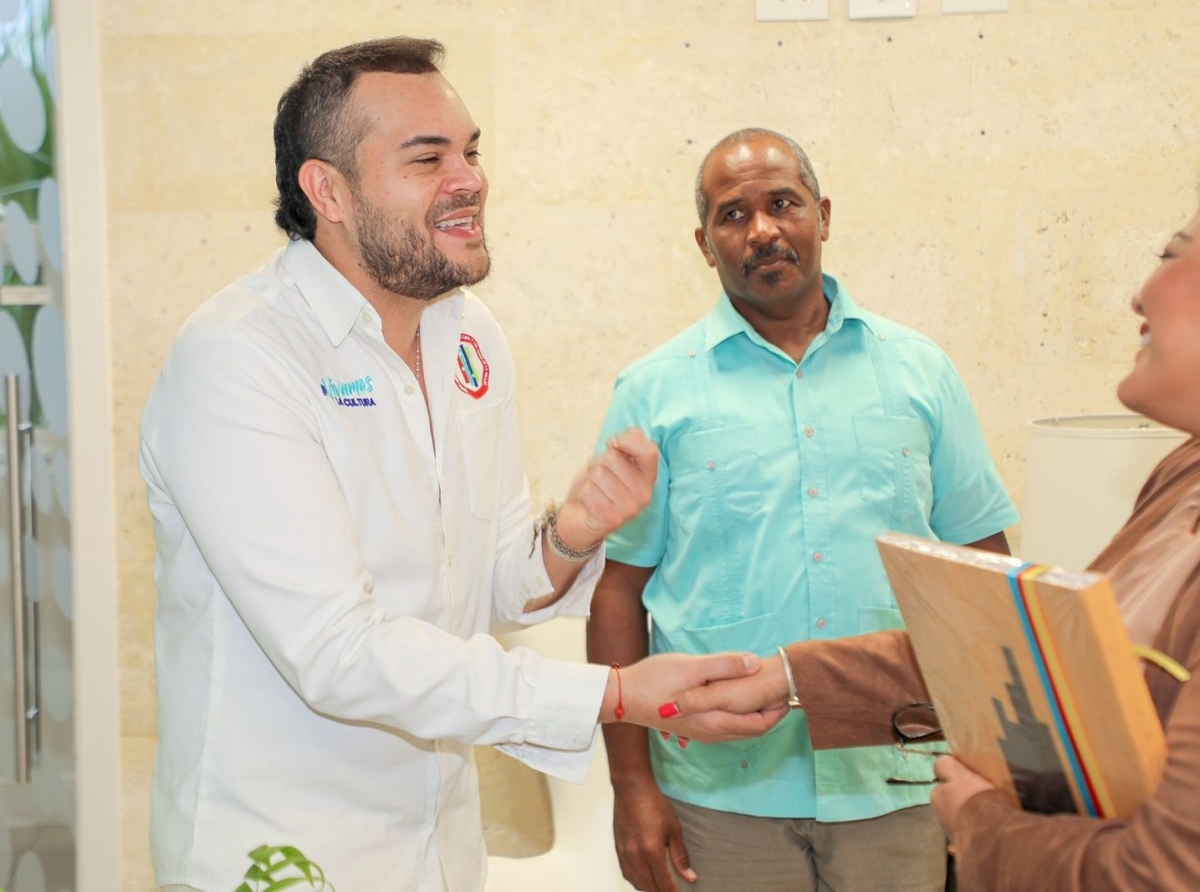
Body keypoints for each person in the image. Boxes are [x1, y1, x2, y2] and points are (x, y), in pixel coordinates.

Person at [139, 38, 781, 892]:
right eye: (427, 157)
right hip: (282, 856)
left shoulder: (467, 334)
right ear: (327, 190)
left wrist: (571, 534)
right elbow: (336, 651)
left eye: (471, 150)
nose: (470, 178)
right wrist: (611, 695)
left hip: (440, 846)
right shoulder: (237, 359)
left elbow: (485, 590)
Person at [665, 204, 1200, 890]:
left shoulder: (919, 367)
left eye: (1171, 255)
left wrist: (979, 821)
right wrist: (790, 677)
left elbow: (1164, 872)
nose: (1138, 292)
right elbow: (1048, 670)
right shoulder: (1184, 469)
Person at [586, 127, 1019, 892]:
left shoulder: (920, 371)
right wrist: (632, 788)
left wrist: (997, 758)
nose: (762, 230)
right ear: (703, 241)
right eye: (732, 214)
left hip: (900, 777)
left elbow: (982, 567)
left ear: (822, 214)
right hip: (719, 792)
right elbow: (618, 593)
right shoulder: (654, 390)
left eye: (782, 203)